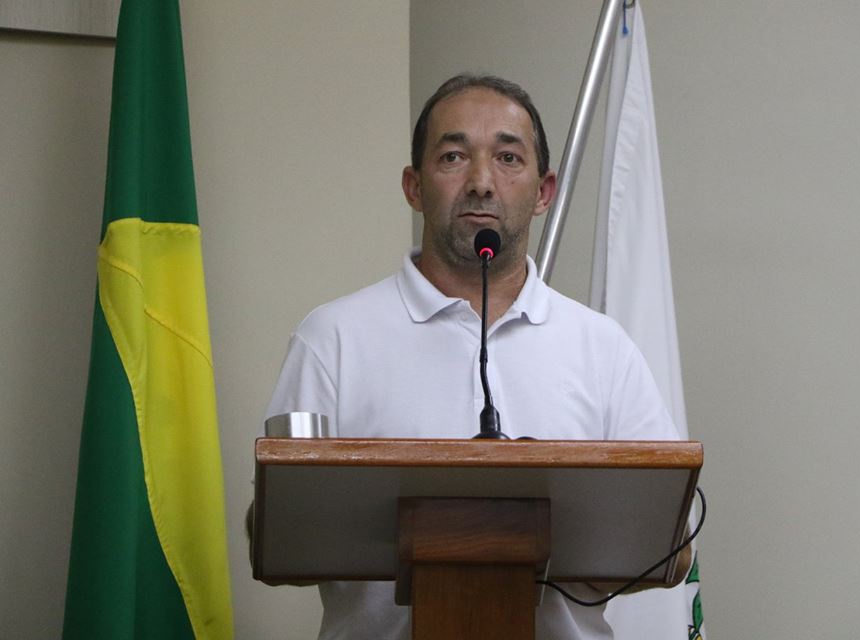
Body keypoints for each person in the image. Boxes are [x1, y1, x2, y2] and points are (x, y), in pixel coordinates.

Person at [264, 74, 687, 639]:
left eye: (508, 158)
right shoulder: (333, 338)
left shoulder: (603, 348)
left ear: (544, 192)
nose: (482, 183)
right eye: (454, 156)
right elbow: (277, 535)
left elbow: (673, 549)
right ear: (414, 187)